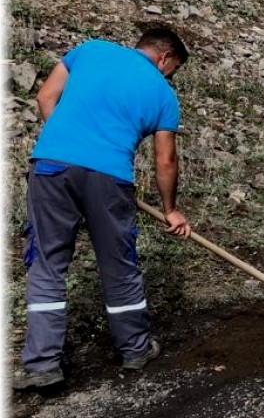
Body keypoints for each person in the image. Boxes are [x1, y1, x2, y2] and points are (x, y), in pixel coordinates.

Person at [13, 27, 193, 390]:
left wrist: (71, 148)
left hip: (50, 166)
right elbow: (166, 160)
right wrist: (170, 209)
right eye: (173, 69)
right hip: (108, 178)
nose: (169, 75)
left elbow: (46, 97)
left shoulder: (90, 50)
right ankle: (135, 350)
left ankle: (41, 365)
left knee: (47, 262)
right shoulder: (162, 93)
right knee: (118, 264)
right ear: (165, 58)